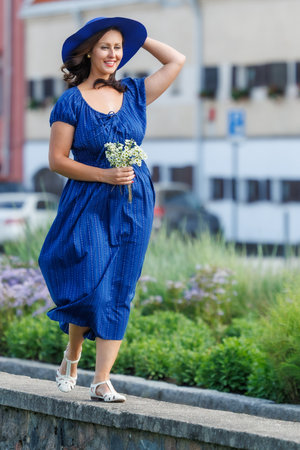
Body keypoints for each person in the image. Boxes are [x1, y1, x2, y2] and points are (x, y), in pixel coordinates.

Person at [38, 16, 185, 402]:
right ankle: (73, 353)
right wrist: (103, 176)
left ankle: (102, 380)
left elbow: (176, 61)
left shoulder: (135, 93)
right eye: (105, 46)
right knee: (89, 279)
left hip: (134, 202)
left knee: (119, 286)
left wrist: (137, 35)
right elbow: (57, 160)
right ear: (88, 51)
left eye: (119, 47)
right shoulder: (70, 101)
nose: (113, 53)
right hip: (87, 201)